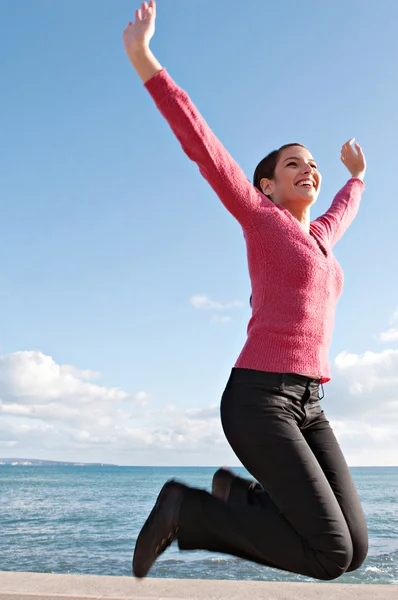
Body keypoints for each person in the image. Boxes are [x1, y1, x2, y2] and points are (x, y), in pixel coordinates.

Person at [123, 0, 369, 582]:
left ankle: (237, 496)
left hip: (309, 403)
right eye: (293, 164)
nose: (309, 169)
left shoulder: (320, 240)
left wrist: (357, 178)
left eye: (313, 164)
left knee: (354, 549)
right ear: (267, 183)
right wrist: (144, 57)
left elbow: (342, 210)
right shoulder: (262, 218)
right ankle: (190, 513)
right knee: (329, 555)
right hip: (260, 399)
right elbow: (202, 145)